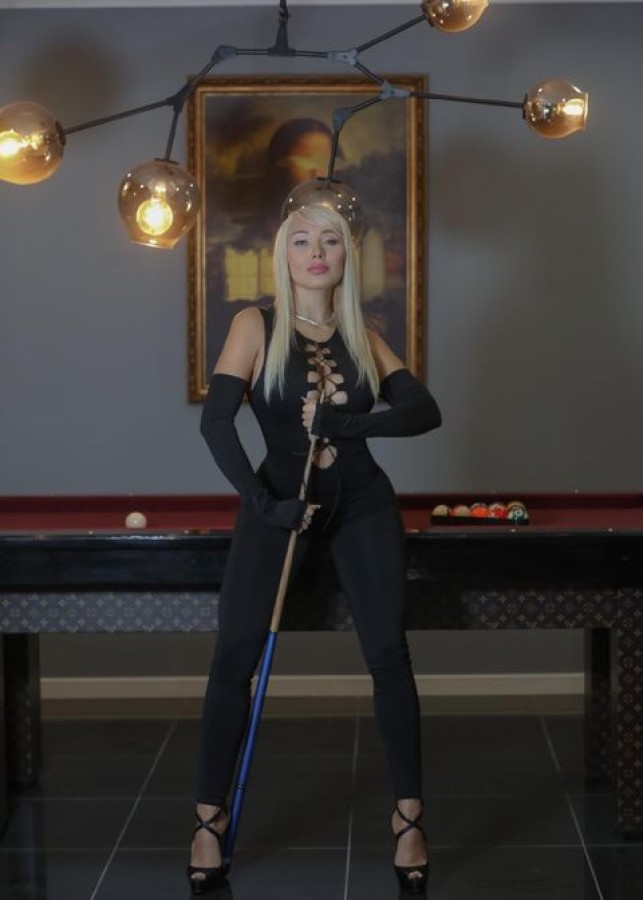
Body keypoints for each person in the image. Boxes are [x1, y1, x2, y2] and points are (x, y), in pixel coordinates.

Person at [188, 202, 442, 896]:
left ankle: (408, 817)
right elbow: (216, 424)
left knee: (388, 653)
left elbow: (424, 410)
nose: (317, 251)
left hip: (362, 504)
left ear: (345, 256)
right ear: (285, 255)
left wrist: (350, 423)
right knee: (233, 655)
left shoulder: (364, 334)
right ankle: (209, 818)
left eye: (330, 239)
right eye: (301, 240)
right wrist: (262, 502)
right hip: (280, 504)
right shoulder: (255, 324)